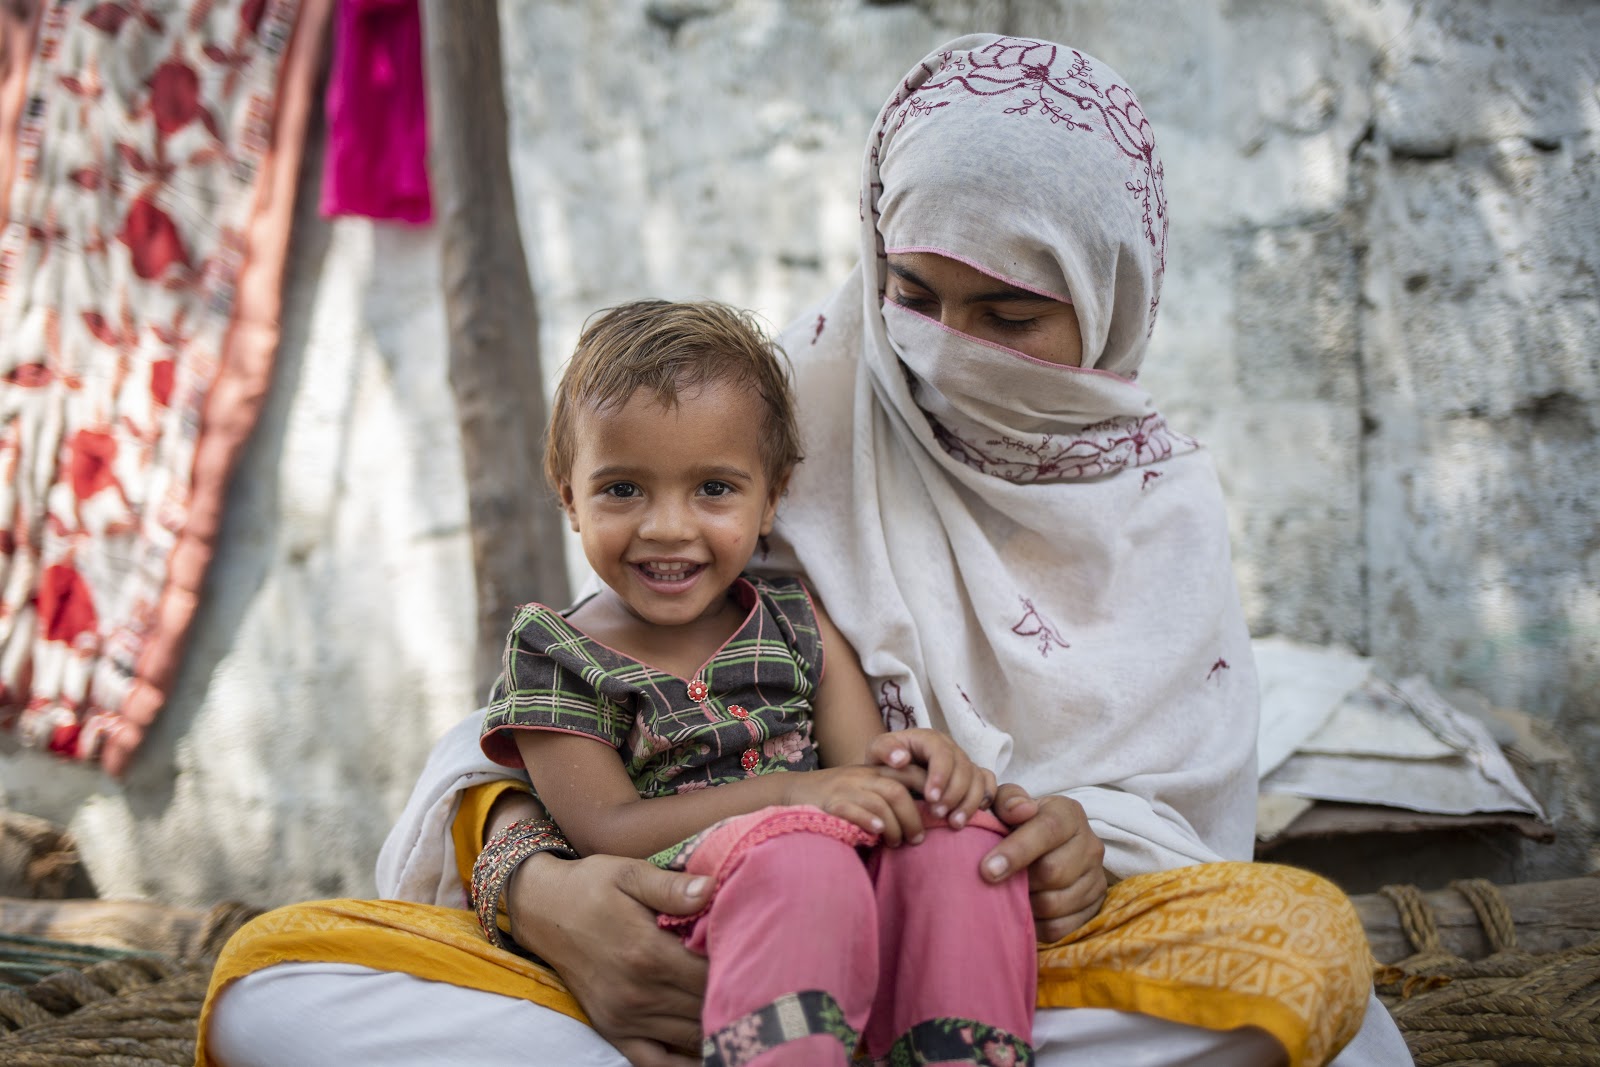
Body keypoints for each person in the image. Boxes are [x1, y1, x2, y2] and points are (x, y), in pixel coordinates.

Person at [199, 34, 1414, 1067]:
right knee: (270, 988)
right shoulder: (797, 413)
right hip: (691, 937)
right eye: (914, 291)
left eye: (1007, 313)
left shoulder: (1157, 512)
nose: (940, 346)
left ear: (1108, 302)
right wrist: (548, 894)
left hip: (1026, 968)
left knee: (1321, 983)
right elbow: (545, 729)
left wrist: (1067, 843)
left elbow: (1167, 822)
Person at [475, 297, 1037, 1065]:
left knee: (961, 841)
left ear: (771, 496)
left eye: (714, 489)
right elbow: (602, 827)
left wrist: (930, 766)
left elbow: (867, 771)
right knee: (799, 859)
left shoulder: (796, 620)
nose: (667, 526)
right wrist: (788, 797)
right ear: (567, 492)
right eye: (622, 489)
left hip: (835, 883)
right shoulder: (554, 652)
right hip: (694, 910)